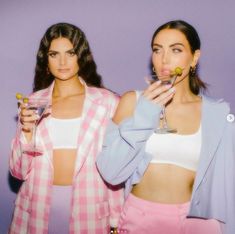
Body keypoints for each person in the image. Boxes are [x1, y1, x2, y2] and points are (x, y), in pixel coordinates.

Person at [97, 20, 235, 234]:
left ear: (194, 58)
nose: (165, 59)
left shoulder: (217, 115)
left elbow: (228, 187)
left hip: (197, 223)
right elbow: (110, 172)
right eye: (157, 50)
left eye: (176, 50)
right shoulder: (132, 101)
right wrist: (144, 114)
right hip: (141, 220)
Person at [9, 22, 123, 234]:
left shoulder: (108, 103)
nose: (62, 62)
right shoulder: (33, 102)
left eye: (70, 53)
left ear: (82, 55)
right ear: (46, 60)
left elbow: (115, 170)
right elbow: (18, 171)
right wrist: (26, 132)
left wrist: (116, 222)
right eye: (54, 54)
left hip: (89, 210)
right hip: (37, 208)